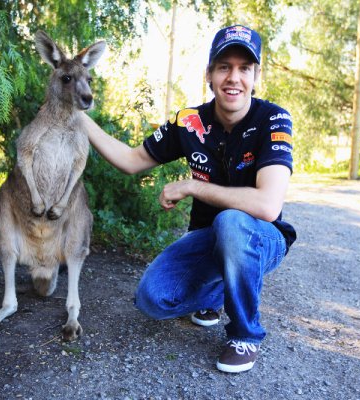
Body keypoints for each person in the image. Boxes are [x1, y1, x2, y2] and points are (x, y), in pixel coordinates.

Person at [82, 24, 296, 373]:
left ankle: (245, 335)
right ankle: (215, 292)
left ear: (255, 76)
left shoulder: (274, 117)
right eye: (224, 66)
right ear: (209, 74)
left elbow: (268, 206)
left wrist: (193, 187)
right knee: (152, 299)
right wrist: (80, 120)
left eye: (245, 68)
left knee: (231, 222)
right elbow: (131, 161)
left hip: (261, 237)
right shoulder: (188, 121)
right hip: (208, 239)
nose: (234, 77)